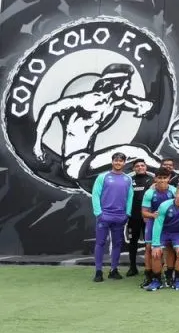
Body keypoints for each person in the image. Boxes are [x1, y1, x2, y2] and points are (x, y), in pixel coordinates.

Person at [31, 63, 160, 180]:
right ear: (116, 83)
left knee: (132, 161)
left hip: (88, 160)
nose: (128, 87)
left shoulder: (112, 102)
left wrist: (144, 105)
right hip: (75, 163)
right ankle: (170, 174)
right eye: (127, 83)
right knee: (137, 152)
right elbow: (49, 108)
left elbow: (132, 102)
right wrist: (38, 145)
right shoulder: (87, 101)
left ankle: (165, 175)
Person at [147, 184, 179, 292]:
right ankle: (156, 281)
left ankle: (177, 280)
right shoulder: (165, 205)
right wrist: (156, 245)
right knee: (156, 254)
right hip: (163, 232)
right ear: (175, 194)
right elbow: (158, 225)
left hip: (177, 233)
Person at [90, 151, 133, 282]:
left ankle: (113, 270)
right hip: (104, 216)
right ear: (112, 161)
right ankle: (98, 271)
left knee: (117, 244)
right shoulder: (103, 177)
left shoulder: (128, 178)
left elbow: (130, 197)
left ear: (124, 163)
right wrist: (98, 213)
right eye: (116, 160)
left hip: (120, 217)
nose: (118, 163)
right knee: (100, 243)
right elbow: (95, 195)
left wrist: (128, 213)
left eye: (121, 160)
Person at [139, 169, 173, 288]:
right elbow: (144, 213)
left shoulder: (174, 191)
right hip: (153, 223)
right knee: (149, 248)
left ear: (169, 178)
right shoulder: (149, 193)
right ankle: (149, 276)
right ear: (155, 179)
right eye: (160, 178)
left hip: (169, 224)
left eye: (165, 178)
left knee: (169, 247)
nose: (162, 180)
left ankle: (169, 276)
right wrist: (154, 215)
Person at [126, 158, 154, 277]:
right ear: (134, 168)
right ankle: (132, 267)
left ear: (146, 167)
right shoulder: (129, 180)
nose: (140, 167)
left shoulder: (152, 180)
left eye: (142, 165)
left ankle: (151, 268)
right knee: (133, 242)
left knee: (150, 243)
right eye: (137, 166)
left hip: (147, 218)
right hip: (133, 217)